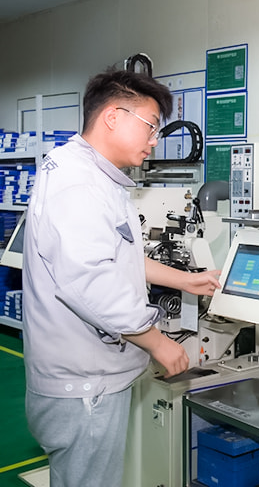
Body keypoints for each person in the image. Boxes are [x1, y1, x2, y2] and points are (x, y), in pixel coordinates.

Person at [22, 69, 221, 487]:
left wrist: (184, 280)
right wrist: (157, 342)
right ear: (113, 116)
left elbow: (117, 257)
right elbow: (90, 282)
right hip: (84, 386)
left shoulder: (91, 176)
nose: (155, 140)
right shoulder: (78, 185)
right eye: (151, 126)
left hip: (86, 381)